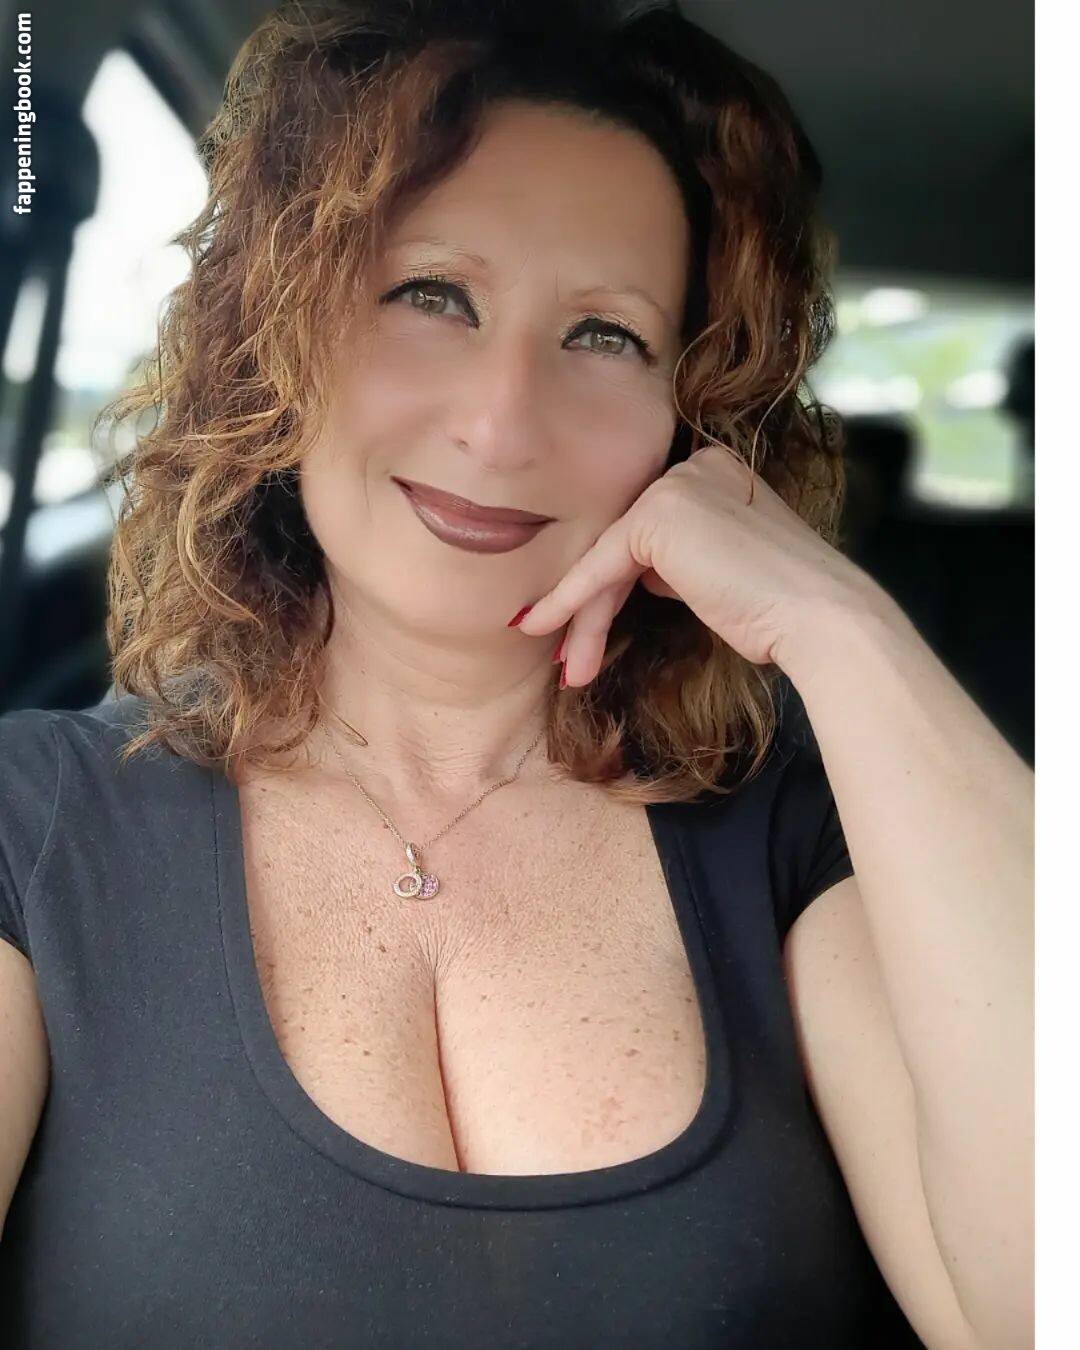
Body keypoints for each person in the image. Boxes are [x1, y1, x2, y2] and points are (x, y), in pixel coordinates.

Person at [0, 3, 1032, 1347]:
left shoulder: (808, 836)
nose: (501, 423)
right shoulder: (31, 827)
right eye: (433, 296)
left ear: (689, 423)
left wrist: (843, 626)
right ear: (281, 342)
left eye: (605, 335)